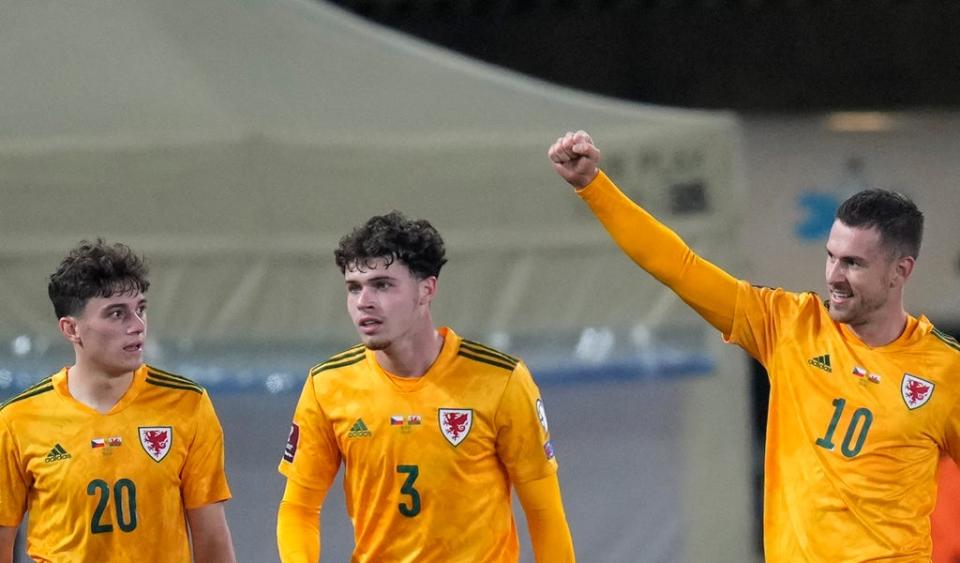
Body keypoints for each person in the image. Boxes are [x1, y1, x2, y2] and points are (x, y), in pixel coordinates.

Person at [548, 130, 960, 561]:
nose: (834, 276)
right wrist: (593, 186)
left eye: (853, 263)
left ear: (900, 271)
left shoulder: (945, 372)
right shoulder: (787, 325)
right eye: (831, 256)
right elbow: (678, 267)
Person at [276, 211, 575, 562]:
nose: (363, 302)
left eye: (382, 284)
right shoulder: (327, 385)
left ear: (426, 289)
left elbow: (544, 515)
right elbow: (298, 508)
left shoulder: (501, 381)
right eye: (353, 288)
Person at [0, 239, 236, 562]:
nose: (137, 327)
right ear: (71, 329)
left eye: (140, 309)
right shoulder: (17, 420)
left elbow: (212, 543)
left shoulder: (187, 405)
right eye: (116, 314)